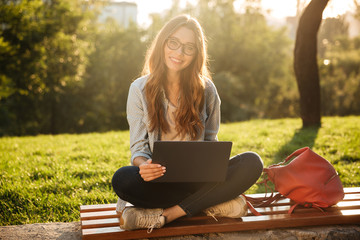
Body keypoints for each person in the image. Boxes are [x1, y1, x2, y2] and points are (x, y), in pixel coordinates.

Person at [112, 14, 263, 233]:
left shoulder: (207, 90)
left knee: (252, 162)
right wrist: (144, 166)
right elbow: (138, 148)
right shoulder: (139, 89)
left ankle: (168, 214)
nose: (179, 53)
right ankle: (212, 204)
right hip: (159, 183)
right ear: (163, 42)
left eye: (189, 48)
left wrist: (212, 167)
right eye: (173, 42)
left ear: (196, 54)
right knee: (122, 179)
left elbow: (211, 143)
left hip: (197, 180)